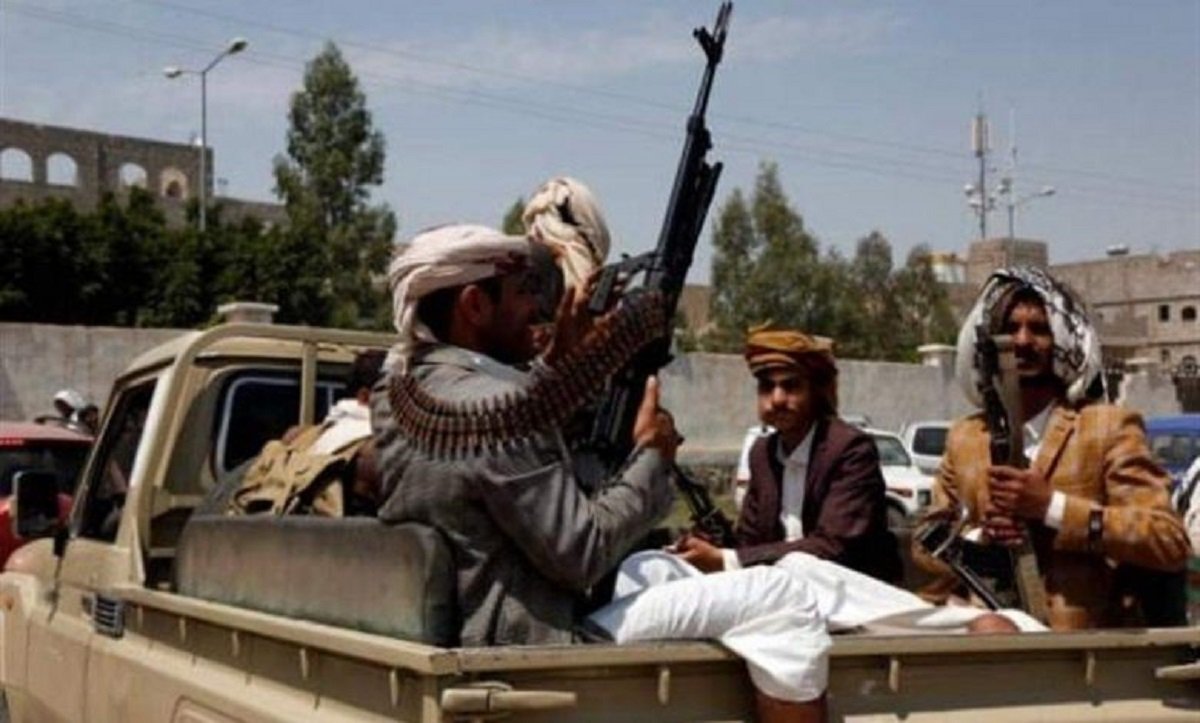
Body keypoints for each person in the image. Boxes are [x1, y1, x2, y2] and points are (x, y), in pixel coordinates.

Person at [373, 224, 857, 722]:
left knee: (655, 567)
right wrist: (653, 456)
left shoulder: (397, 393)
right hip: (533, 643)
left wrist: (560, 362)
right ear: (475, 305)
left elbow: (493, 441)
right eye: (522, 292)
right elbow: (583, 553)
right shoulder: (497, 408)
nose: (536, 308)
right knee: (781, 597)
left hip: (476, 617)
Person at [915, 266, 1190, 629]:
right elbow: (923, 546)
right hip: (978, 629)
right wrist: (979, 537)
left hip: (1078, 647)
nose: (1023, 341)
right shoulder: (966, 437)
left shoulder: (1106, 428)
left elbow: (1167, 541)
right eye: (1010, 328)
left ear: (1063, 339)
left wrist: (1052, 508)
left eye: (1039, 329)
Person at [674, 326, 902, 584]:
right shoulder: (762, 453)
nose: (777, 399)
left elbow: (833, 546)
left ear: (815, 392)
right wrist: (713, 546)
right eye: (767, 387)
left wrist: (727, 559)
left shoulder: (850, 449)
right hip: (780, 590)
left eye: (791, 386)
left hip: (850, 591)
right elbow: (750, 542)